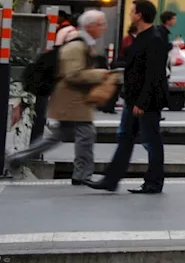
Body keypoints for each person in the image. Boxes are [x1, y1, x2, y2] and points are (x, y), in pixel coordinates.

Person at [4, 11, 116, 185]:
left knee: (57, 136)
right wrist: (99, 74)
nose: (104, 28)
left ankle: (17, 158)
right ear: (90, 26)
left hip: (73, 100)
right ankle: (82, 175)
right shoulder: (77, 46)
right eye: (101, 24)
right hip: (73, 101)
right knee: (86, 135)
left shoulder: (83, 43)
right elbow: (73, 75)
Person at [86, 0, 170, 194]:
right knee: (125, 137)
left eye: (133, 11)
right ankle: (111, 180)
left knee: (150, 140)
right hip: (133, 97)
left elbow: (153, 74)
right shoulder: (141, 37)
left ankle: (154, 182)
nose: (130, 14)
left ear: (140, 15)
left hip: (145, 100)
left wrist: (142, 101)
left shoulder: (154, 38)